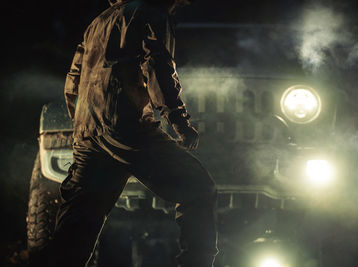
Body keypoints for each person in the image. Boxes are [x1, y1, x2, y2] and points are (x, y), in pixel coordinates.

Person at [30, 0, 218, 266]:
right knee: (199, 188)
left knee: (77, 227)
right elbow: (157, 65)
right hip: (127, 127)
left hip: (89, 131)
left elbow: (74, 79)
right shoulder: (151, 13)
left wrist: (84, 124)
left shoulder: (98, 22)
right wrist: (178, 120)